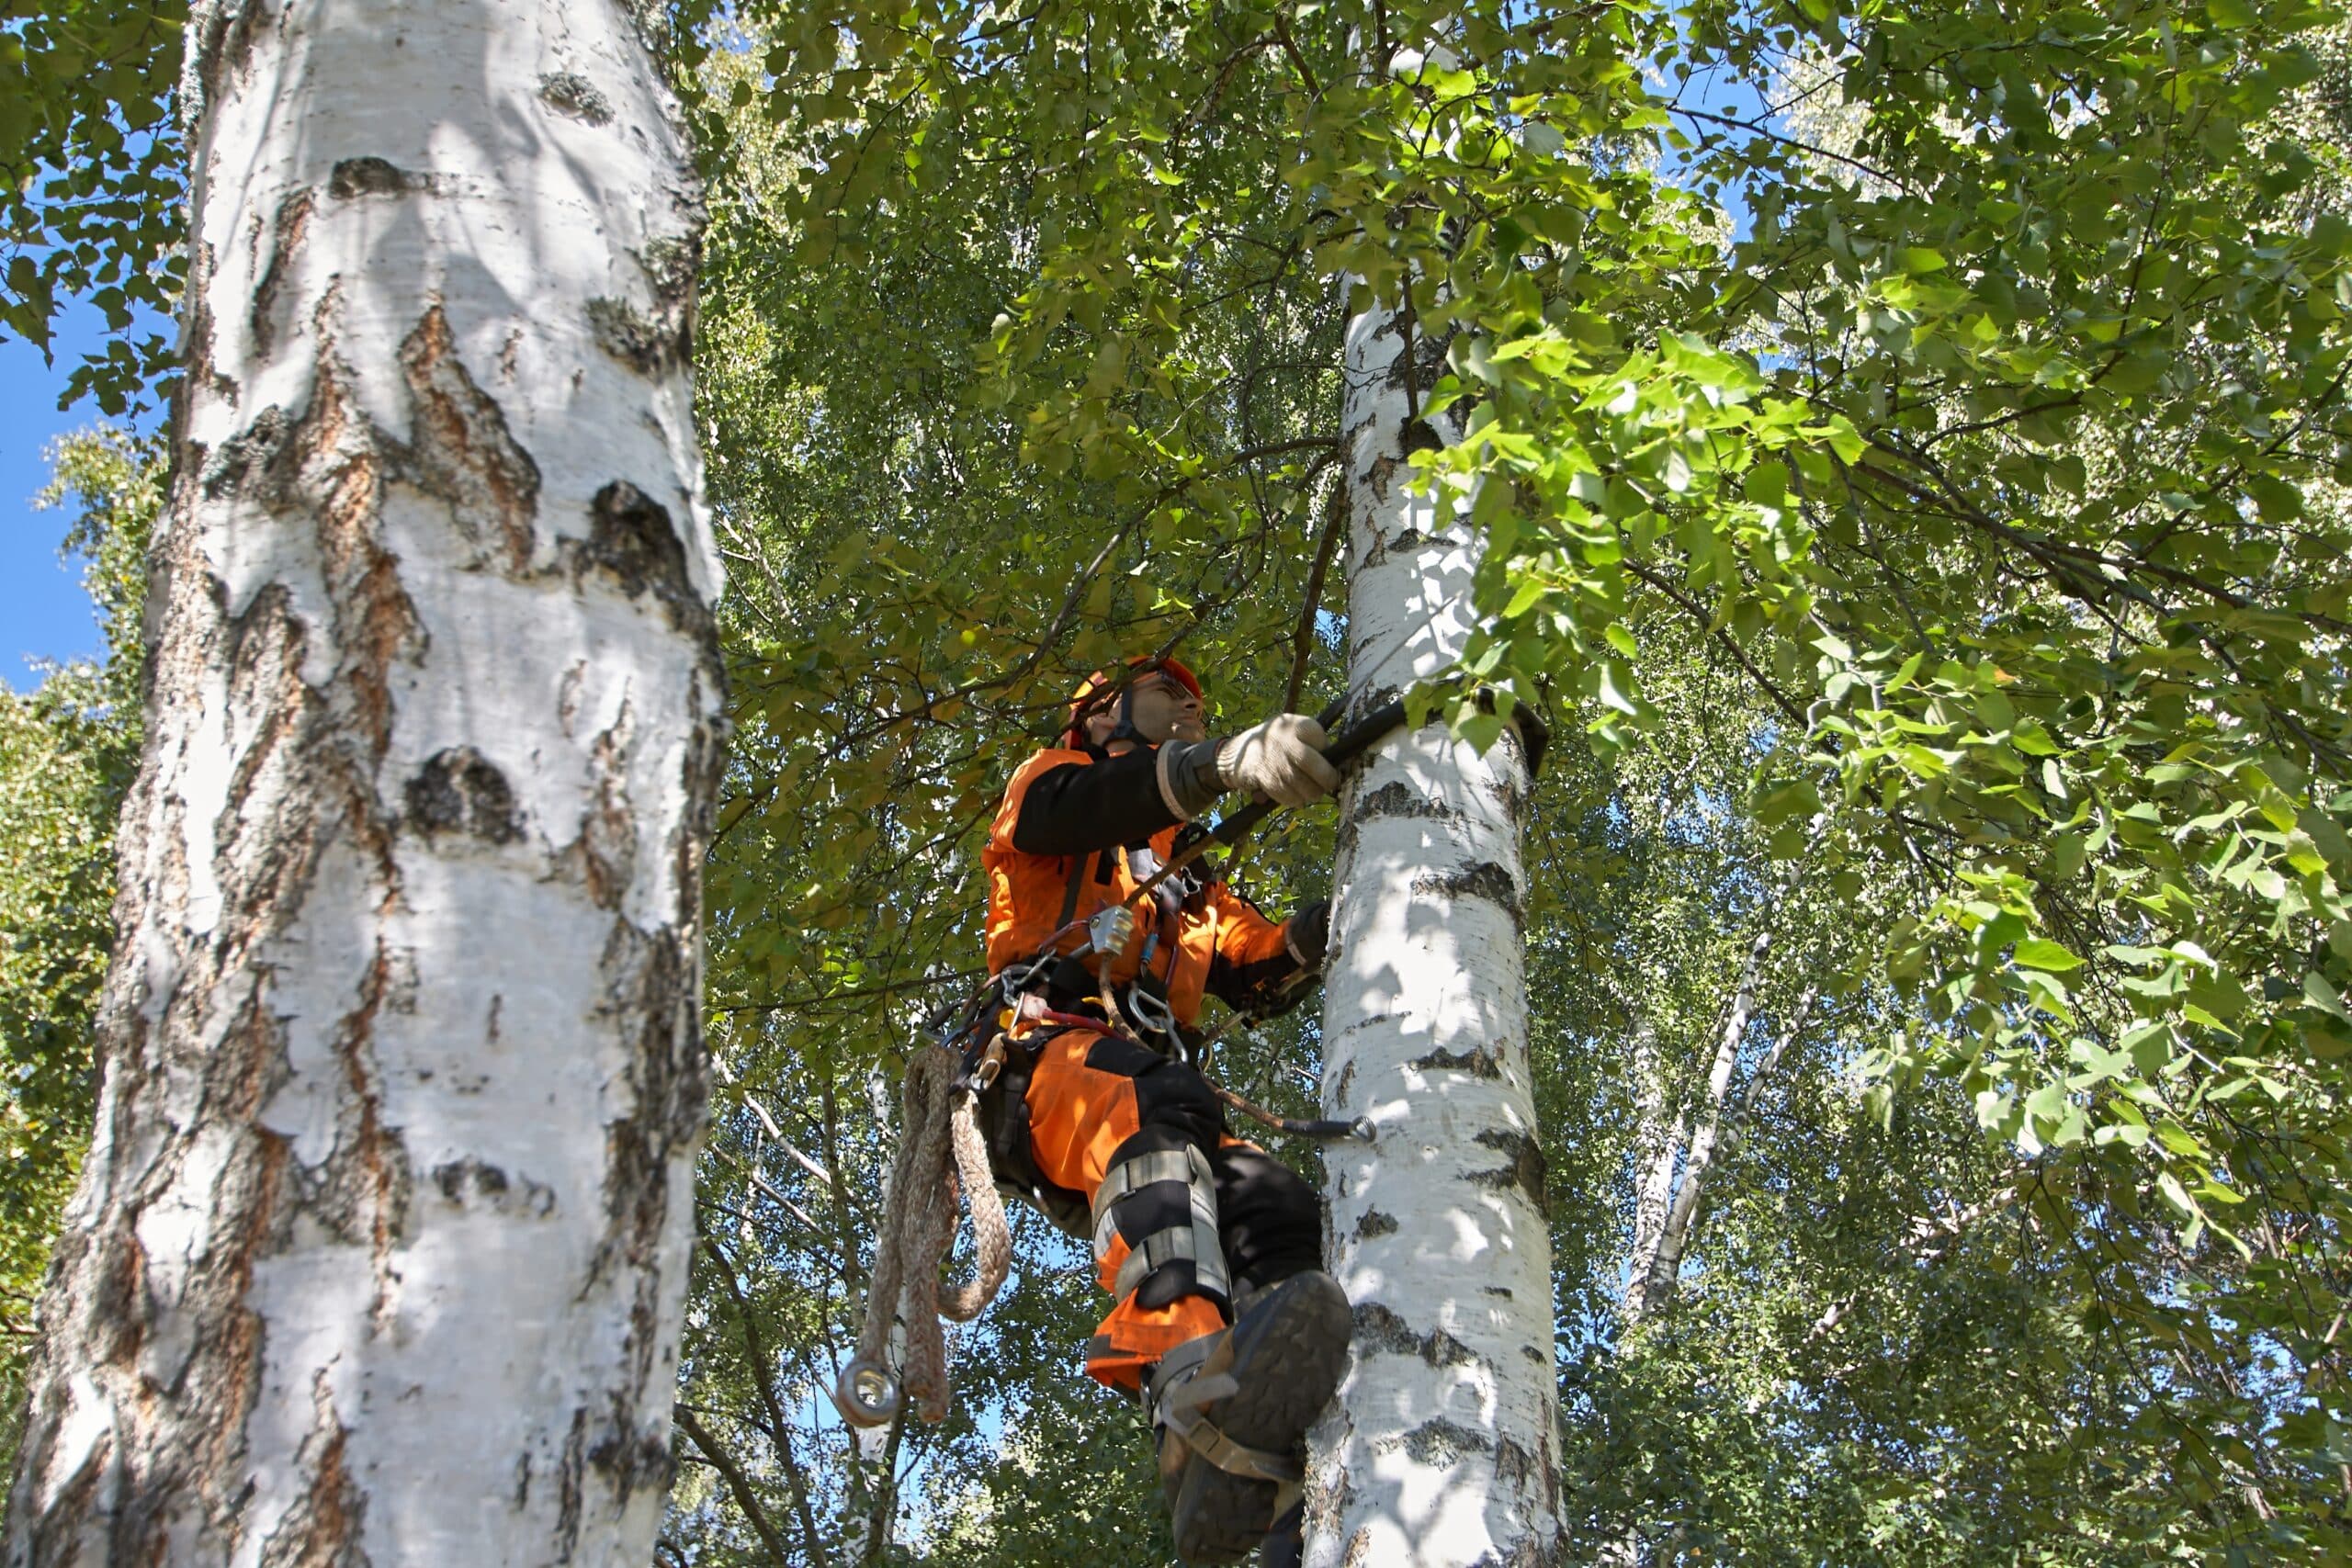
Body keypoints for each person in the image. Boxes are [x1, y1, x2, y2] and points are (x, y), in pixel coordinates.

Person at [974, 655, 1351, 1566]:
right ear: (1101, 714)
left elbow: (1257, 964)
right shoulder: (1054, 782)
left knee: (1275, 1205)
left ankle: (1274, 1499)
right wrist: (1219, 765)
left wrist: (1353, 912)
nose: (1190, 704)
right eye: (1167, 694)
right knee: (1156, 1099)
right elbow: (1084, 810)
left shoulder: (1186, 883)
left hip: (1149, 1087)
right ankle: (1187, 1392)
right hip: (1042, 1057)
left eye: (1200, 700)